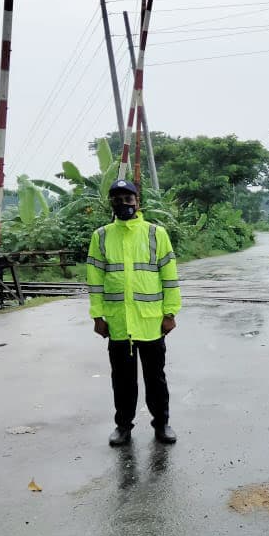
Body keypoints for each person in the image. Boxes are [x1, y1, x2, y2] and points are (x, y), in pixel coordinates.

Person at [87, 179, 181, 446]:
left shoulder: (155, 233)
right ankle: (123, 427)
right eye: (117, 199)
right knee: (122, 381)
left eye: (128, 198)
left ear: (138, 202)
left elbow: (170, 277)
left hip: (151, 322)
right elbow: (94, 279)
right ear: (111, 203)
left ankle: (161, 424)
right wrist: (97, 316)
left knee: (156, 379)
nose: (123, 203)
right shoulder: (102, 236)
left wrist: (170, 313)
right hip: (118, 324)